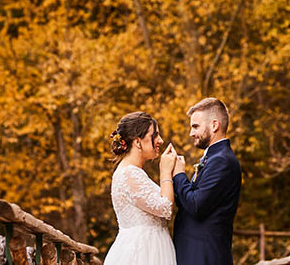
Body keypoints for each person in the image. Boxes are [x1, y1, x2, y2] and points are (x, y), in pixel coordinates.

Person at [172, 98, 242, 265]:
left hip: (205, 256)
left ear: (214, 125)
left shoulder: (222, 161)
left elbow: (196, 206)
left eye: (195, 126)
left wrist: (178, 175)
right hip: (194, 253)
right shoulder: (214, 158)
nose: (191, 133)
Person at [104, 111, 178, 265]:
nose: (161, 140)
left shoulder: (134, 172)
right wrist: (165, 171)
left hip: (151, 248)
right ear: (138, 142)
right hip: (143, 254)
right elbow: (165, 207)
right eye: (155, 135)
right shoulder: (129, 174)